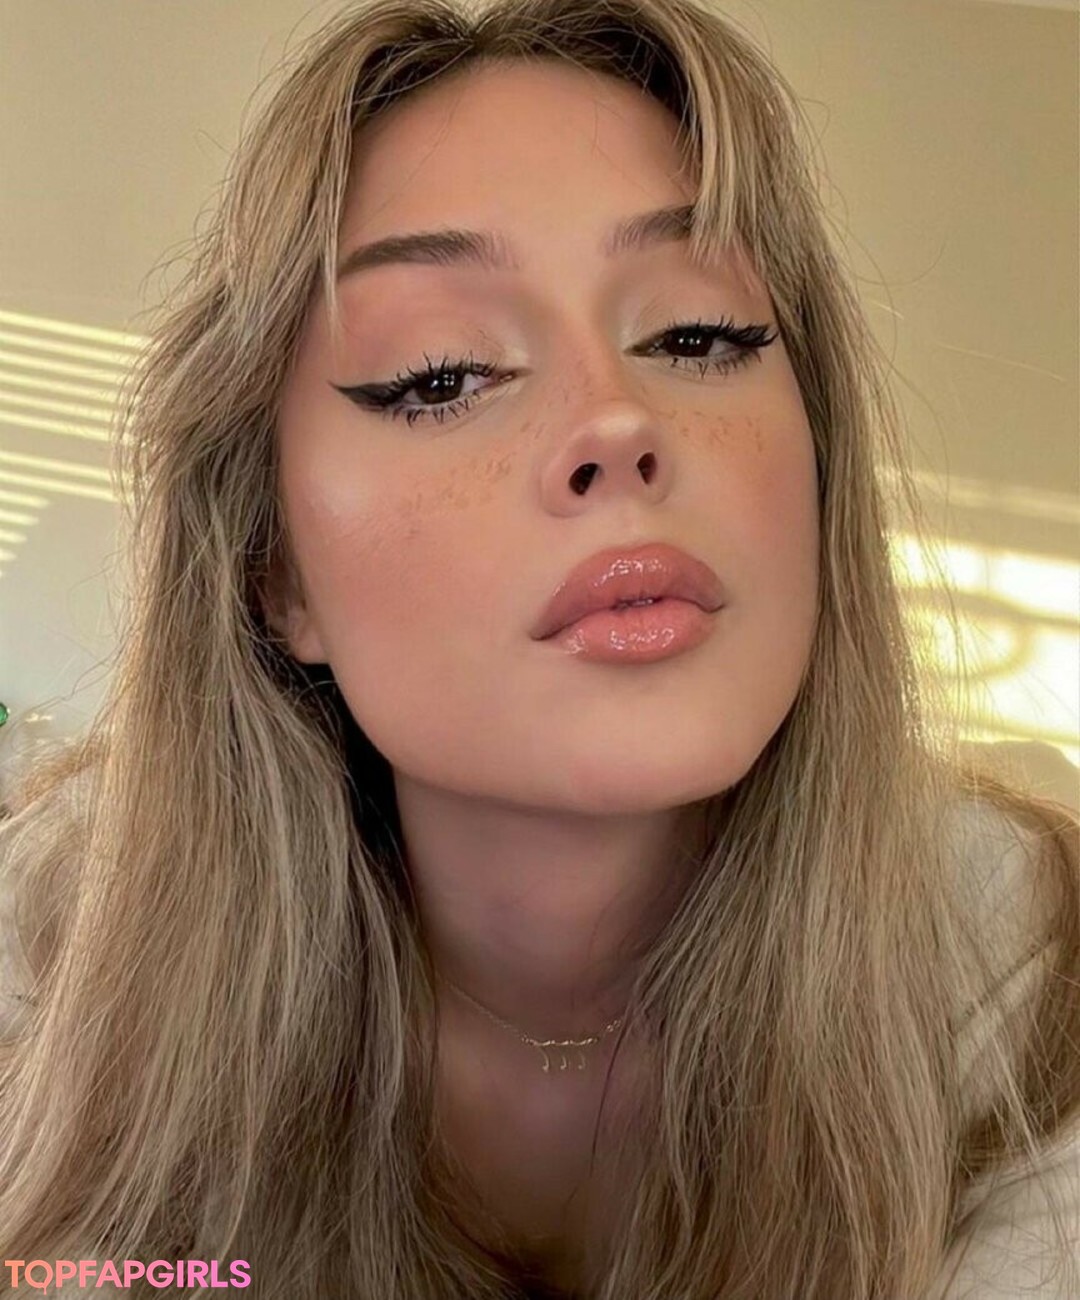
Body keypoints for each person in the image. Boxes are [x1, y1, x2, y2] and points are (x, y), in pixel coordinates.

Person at [0, 0, 1077, 1296]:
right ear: (275, 571)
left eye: (696, 335)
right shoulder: (54, 952)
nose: (616, 421)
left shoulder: (1027, 976)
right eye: (442, 372)